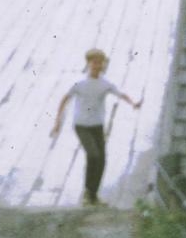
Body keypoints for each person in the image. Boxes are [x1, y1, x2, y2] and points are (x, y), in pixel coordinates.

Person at [51, 48, 142, 206]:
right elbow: (64, 100)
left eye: (100, 62)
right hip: (81, 125)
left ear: (103, 65)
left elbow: (120, 94)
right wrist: (57, 122)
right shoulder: (79, 83)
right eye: (94, 62)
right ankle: (87, 193)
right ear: (88, 63)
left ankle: (93, 196)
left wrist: (133, 103)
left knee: (101, 160)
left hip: (97, 126)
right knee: (93, 155)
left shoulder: (105, 84)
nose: (97, 65)